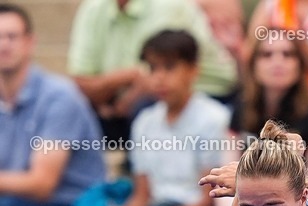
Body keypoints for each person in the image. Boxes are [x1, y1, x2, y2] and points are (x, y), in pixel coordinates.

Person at [67, 0, 237, 142]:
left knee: (145, 109)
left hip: (207, 93)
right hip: (127, 98)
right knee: (71, 111)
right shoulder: (92, 9)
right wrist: (130, 76)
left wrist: (127, 96)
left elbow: (167, 72)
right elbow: (81, 82)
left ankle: (133, 165)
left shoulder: (171, 6)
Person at [111, 30, 230, 206]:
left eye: (169, 67)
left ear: (193, 70)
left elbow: (210, 199)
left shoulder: (215, 119)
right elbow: (142, 196)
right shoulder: (144, 122)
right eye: (152, 68)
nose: (159, 78)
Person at [0, 3, 106, 206]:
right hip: (17, 203)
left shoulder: (59, 97)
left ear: (30, 43)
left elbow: (42, 185)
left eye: (11, 36)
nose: (4, 45)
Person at [230, 33, 308, 145]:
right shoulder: (242, 106)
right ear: (253, 64)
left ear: (301, 65)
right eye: (267, 54)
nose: (278, 62)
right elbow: (231, 158)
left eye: (287, 54)